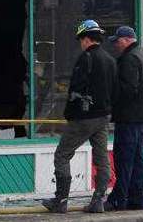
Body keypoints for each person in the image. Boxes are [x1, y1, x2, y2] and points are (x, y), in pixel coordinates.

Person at [42, 20, 116, 214]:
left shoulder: (86, 59)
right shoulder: (110, 60)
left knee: (62, 154)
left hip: (84, 117)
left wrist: (69, 113)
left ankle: (61, 201)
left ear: (86, 39)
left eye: (80, 39)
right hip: (103, 117)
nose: (80, 43)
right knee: (102, 159)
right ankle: (98, 200)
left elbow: (75, 89)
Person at [105, 26, 143, 212]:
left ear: (126, 40)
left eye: (117, 41)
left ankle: (118, 199)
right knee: (137, 160)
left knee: (124, 159)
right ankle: (136, 199)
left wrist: (111, 97)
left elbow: (127, 89)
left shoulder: (130, 58)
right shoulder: (142, 55)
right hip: (139, 116)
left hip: (129, 117)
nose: (116, 45)